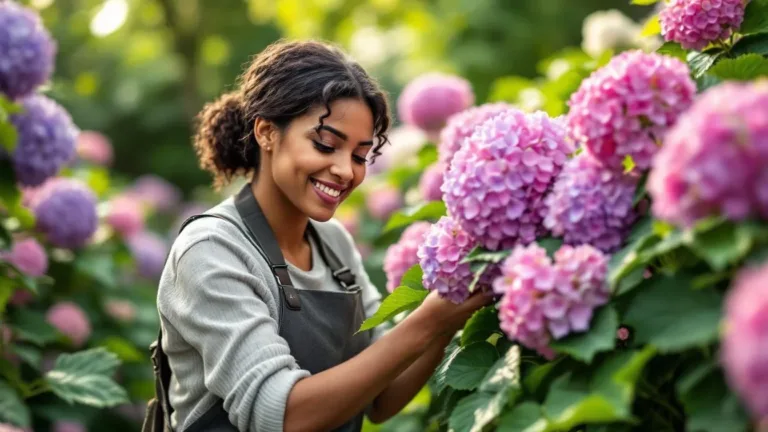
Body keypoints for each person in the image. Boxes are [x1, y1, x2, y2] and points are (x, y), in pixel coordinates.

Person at [153, 39, 491, 432]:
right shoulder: (212, 250)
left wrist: (451, 307)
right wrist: (432, 319)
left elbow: (382, 397)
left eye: (360, 155)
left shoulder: (333, 244)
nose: (346, 171)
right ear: (266, 132)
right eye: (326, 145)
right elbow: (280, 414)